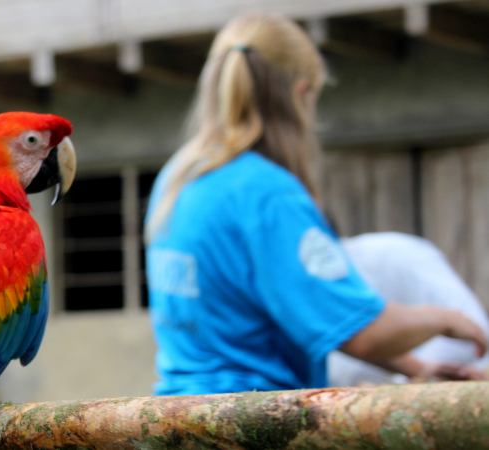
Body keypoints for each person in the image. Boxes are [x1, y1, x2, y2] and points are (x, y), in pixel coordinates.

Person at [143, 11, 487, 396]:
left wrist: (415, 367)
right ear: (301, 93)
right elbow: (365, 335)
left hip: (178, 415)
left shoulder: (179, 177)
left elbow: (308, 316)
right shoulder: (268, 193)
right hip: (251, 414)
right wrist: (446, 319)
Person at [329, 232, 489, 386]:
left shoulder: (392, 253)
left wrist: (417, 375)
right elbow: (354, 338)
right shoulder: (315, 287)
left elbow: (471, 332)